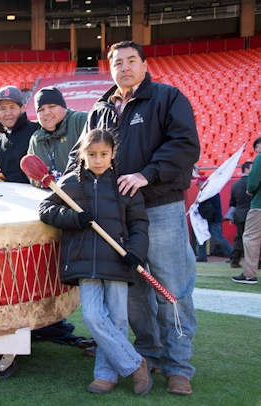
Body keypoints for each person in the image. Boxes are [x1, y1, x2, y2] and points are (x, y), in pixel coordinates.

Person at [77, 40, 200, 395]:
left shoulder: (167, 97)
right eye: (118, 62)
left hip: (159, 205)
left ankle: (179, 367)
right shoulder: (99, 109)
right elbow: (82, 155)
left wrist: (147, 173)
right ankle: (148, 354)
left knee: (172, 289)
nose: (125, 67)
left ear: (145, 65)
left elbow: (185, 144)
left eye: (132, 60)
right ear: (110, 68)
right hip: (116, 215)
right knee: (133, 292)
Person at [39, 129, 151, 395]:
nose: (98, 160)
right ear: (82, 155)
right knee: (92, 316)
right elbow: (46, 210)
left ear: (113, 155)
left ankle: (106, 375)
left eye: (103, 154)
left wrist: (136, 250)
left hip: (118, 261)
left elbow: (139, 224)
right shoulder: (69, 184)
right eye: (91, 154)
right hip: (85, 262)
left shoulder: (125, 186)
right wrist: (73, 219)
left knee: (117, 320)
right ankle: (136, 364)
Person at [27, 86, 87, 188]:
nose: (46, 112)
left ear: (64, 107)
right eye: (41, 109)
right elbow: (31, 174)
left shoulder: (80, 120)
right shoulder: (36, 139)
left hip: (85, 195)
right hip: (54, 196)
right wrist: (43, 181)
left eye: (52, 106)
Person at [0, 86, 39, 183]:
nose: (7, 113)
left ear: (22, 108)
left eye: (12, 107)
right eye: (3, 108)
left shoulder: (37, 131)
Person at [234, 137, 261, 284]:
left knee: (251, 238)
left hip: (259, 206)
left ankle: (249, 274)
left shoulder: (260, 158)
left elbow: (253, 182)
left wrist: (250, 191)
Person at [195, 177, 233, 262]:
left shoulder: (208, 191)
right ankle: (202, 255)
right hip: (212, 217)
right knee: (209, 235)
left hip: (211, 218)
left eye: (198, 183)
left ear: (202, 182)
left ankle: (232, 254)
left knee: (211, 236)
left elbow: (209, 207)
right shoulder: (211, 190)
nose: (197, 185)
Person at [228, 162, 252, 268]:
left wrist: (231, 216)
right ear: (246, 169)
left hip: (239, 215)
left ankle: (234, 260)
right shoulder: (254, 183)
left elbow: (232, 203)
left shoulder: (235, 185)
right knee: (255, 239)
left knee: (239, 238)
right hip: (252, 214)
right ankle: (256, 262)